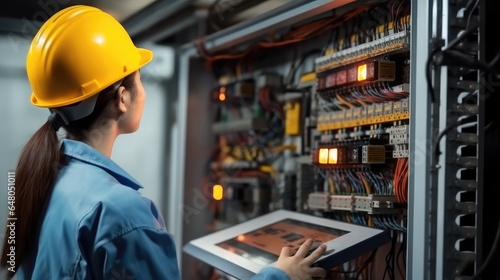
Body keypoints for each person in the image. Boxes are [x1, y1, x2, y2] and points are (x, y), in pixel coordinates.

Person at [0, 5, 327, 280]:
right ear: (123, 98)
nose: (143, 91)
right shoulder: (121, 212)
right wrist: (280, 275)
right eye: (139, 79)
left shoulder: (44, 179)